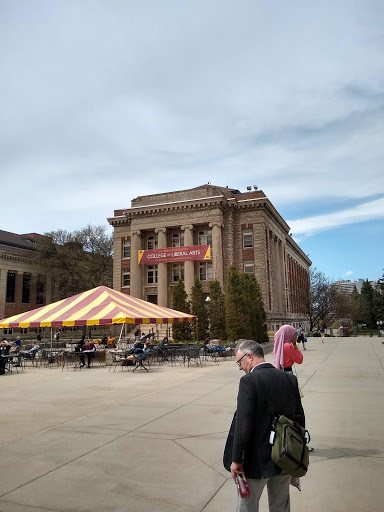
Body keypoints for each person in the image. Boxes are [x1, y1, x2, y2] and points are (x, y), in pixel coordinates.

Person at [223, 340, 305, 512]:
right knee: (281, 505)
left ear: (250, 356)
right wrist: (297, 454)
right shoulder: (289, 379)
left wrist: (237, 459)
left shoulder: (249, 381)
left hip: (256, 460)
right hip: (284, 456)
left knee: (247, 506)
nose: (239, 367)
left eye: (239, 362)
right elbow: (299, 420)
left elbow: (244, 423)